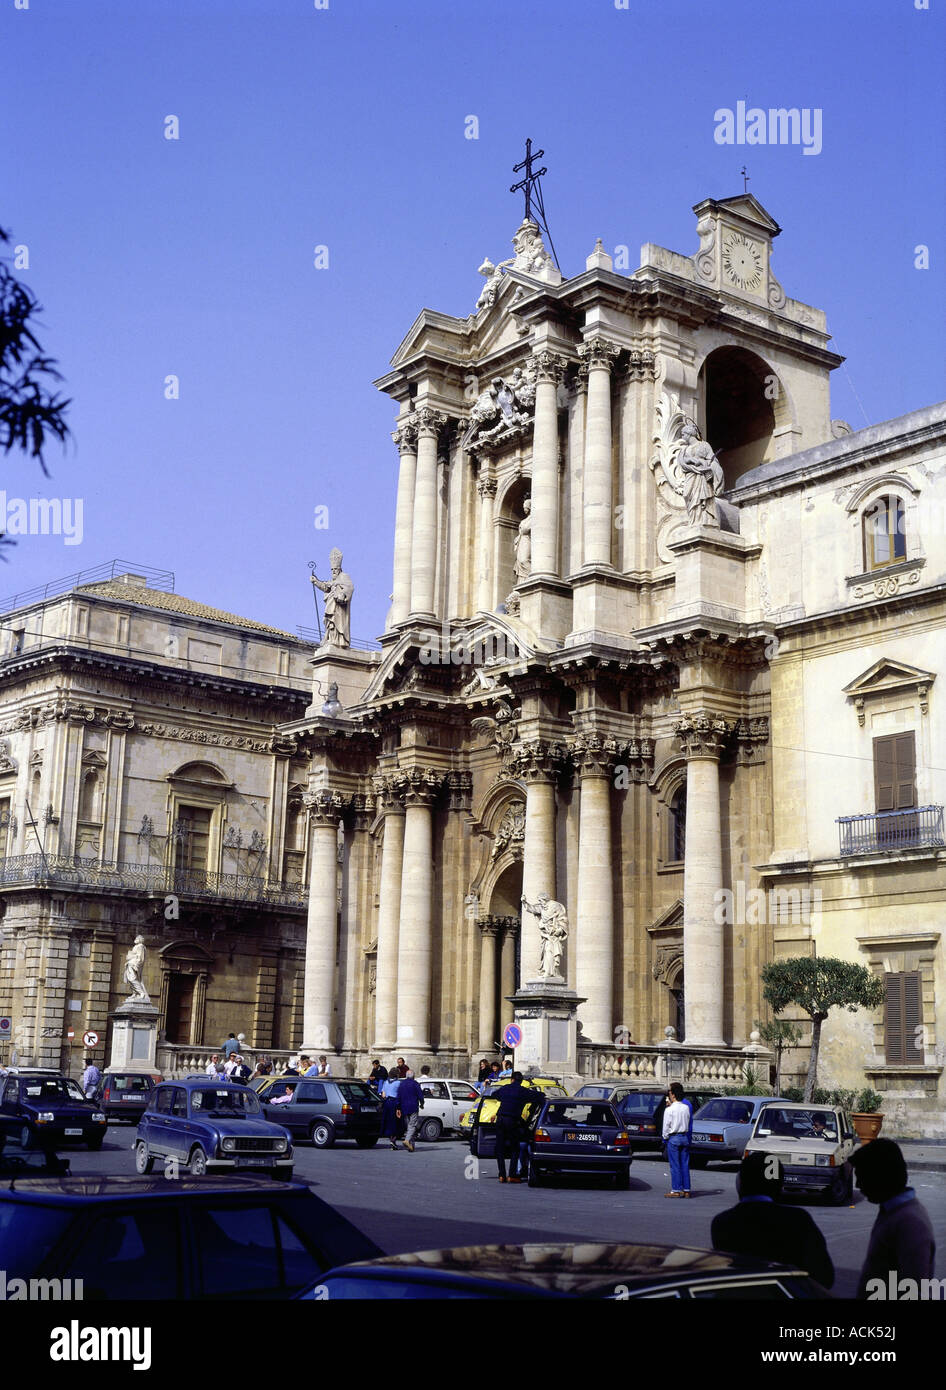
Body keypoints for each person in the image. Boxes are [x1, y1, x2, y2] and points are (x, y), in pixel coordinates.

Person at [711, 1153, 835, 1288]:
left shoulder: (722, 1222)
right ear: (779, 1185)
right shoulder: (798, 1220)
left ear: (740, 1182)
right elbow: (824, 1277)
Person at [850, 1139, 936, 1298]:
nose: (859, 1185)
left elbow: (913, 1291)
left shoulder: (910, 1223)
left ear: (881, 1177)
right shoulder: (893, 1212)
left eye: (862, 1177)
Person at [494, 1073, 538, 1183]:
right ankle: (512, 1175)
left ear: (511, 1080)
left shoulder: (505, 1088)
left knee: (500, 1148)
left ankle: (501, 1175)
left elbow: (494, 1094)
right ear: (521, 1081)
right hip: (512, 1121)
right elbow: (538, 1096)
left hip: (500, 1119)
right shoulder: (523, 1091)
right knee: (515, 1148)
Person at [662, 1082, 692, 1197]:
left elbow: (666, 1127)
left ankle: (676, 1190)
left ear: (673, 1094)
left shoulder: (669, 1110)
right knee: (685, 1164)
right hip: (684, 1136)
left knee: (675, 1165)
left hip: (674, 1137)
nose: (669, 1094)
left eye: (669, 1092)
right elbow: (688, 1122)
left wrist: (665, 1138)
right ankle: (686, 1189)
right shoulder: (686, 1108)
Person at [398, 1072, 425, 1152]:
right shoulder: (415, 1084)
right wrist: (422, 1103)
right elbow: (420, 1095)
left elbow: (398, 1096)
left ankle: (411, 1146)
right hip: (413, 1107)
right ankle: (407, 1140)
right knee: (412, 1126)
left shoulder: (402, 1084)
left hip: (404, 1107)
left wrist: (398, 1108)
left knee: (409, 1127)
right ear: (413, 1076)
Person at [380, 1071, 404, 1149]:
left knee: (389, 1122)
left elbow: (383, 1094)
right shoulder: (398, 1083)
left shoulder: (386, 1082)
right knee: (397, 1122)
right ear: (396, 1075)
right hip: (395, 1103)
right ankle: (393, 1140)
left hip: (387, 1103)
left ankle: (391, 1139)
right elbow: (400, 1095)